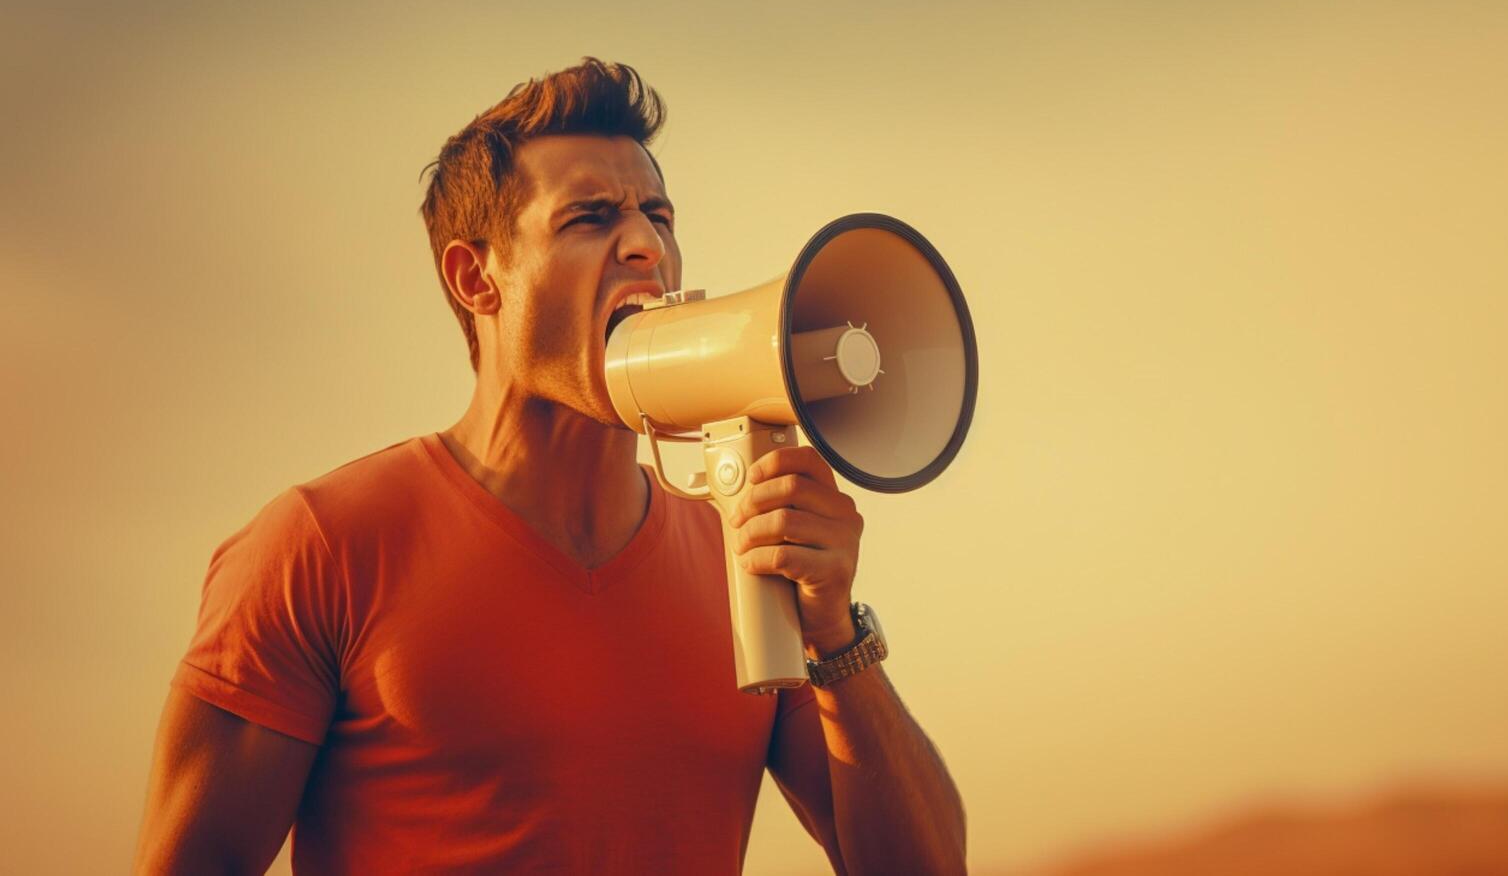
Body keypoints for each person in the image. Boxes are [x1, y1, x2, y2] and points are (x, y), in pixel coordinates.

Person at [132, 58, 968, 875]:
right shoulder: (321, 546)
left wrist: (834, 633)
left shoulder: (740, 562)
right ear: (476, 277)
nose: (645, 244)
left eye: (660, 216)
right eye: (590, 218)